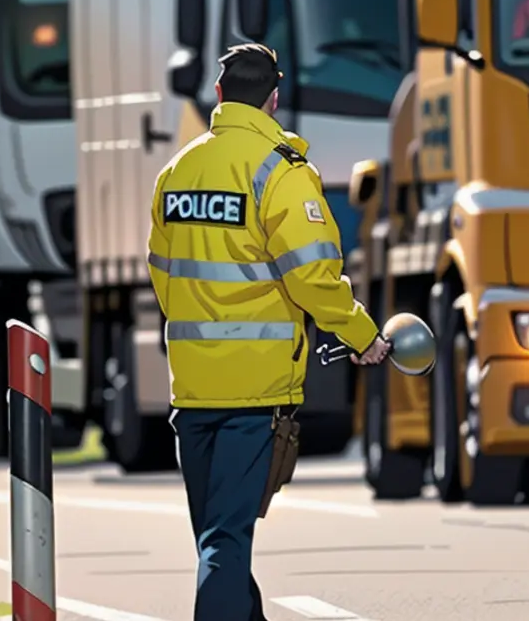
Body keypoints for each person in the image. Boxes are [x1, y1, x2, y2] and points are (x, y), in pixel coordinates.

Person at [147, 42, 391, 621]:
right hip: (253, 393)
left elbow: (161, 270)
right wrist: (363, 335)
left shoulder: (177, 171)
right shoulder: (279, 173)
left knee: (217, 535)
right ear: (274, 99)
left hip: (193, 388)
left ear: (218, 95)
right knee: (226, 541)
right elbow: (313, 277)